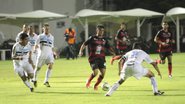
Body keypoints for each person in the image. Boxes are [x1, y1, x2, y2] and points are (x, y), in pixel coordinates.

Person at [78, 24, 116, 90]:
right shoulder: (92, 38)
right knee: (95, 72)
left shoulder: (104, 39)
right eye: (100, 30)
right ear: (97, 30)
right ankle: (88, 82)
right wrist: (80, 51)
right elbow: (84, 44)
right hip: (93, 58)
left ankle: (96, 85)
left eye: (103, 31)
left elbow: (109, 47)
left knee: (103, 73)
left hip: (102, 58)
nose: (101, 32)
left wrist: (113, 53)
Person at [32, 23, 56, 87]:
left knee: (50, 65)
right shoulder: (40, 36)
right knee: (38, 68)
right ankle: (34, 79)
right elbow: (36, 44)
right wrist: (34, 49)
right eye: (45, 29)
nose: (47, 30)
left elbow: (52, 46)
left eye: (48, 29)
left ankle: (46, 81)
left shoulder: (52, 37)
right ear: (43, 29)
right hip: (41, 55)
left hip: (49, 54)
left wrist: (54, 53)